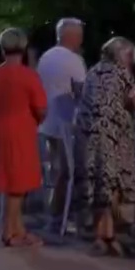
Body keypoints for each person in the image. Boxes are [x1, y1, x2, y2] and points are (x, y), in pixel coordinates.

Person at [74, 36, 135, 256]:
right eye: (130, 56)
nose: (131, 61)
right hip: (112, 139)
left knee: (100, 184)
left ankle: (104, 234)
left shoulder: (93, 72)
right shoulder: (121, 73)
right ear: (123, 55)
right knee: (112, 184)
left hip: (88, 138)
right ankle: (107, 235)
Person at [0, 27, 48, 248]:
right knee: (19, 181)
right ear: (23, 47)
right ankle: (10, 231)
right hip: (22, 129)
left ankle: (18, 229)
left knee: (11, 180)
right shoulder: (29, 76)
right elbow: (42, 108)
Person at [37, 17, 87, 230]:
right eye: (80, 35)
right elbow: (84, 91)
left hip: (47, 122)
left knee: (60, 169)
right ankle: (60, 216)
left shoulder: (45, 57)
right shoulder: (73, 60)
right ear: (72, 36)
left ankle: (59, 214)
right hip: (68, 123)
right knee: (69, 170)